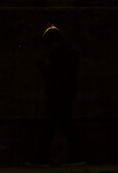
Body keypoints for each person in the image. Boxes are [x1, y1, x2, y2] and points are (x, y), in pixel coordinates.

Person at [38, 24, 80, 164]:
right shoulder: (70, 54)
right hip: (64, 96)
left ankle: (44, 158)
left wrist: (45, 67)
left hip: (59, 96)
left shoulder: (59, 55)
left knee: (51, 127)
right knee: (66, 127)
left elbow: (55, 75)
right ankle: (75, 157)